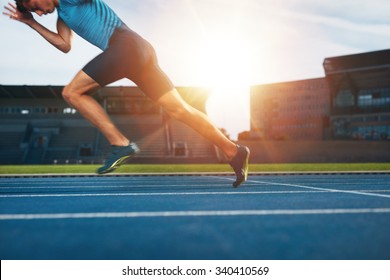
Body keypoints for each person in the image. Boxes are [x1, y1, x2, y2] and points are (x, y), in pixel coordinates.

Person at [3, 0, 250, 187]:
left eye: (33, 7)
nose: (38, 13)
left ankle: (120, 144)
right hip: (138, 51)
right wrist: (31, 23)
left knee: (72, 93)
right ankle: (233, 150)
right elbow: (64, 45)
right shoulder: (62, 17)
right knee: (179, 109)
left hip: (126, 46)